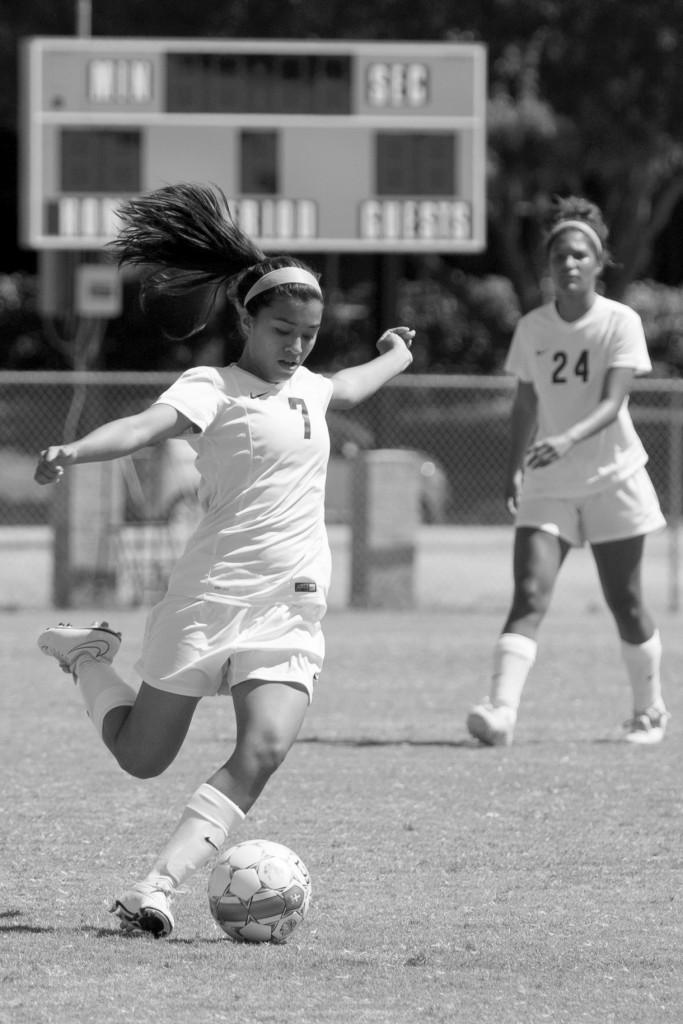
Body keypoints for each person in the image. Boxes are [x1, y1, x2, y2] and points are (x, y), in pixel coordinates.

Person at [35, 182, 415, 938]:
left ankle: (156, 887)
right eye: (282, 330)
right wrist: (75, 450)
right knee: (142, 758)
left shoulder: (310, 386)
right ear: (247, 318)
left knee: (265, 747)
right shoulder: (213, 387)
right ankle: (88, 660)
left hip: (290, 604)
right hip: (210, 597)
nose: (297, 345)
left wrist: (398, 354)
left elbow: (350, 383)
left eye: (308, 332)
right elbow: (145, 428)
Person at [466, 195, 669, 748]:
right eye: (560, 257)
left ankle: (649, 711)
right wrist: (514, 467)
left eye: (581, 256)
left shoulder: (620, 322)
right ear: (549, 266)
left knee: (625, 603)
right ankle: (501, 710)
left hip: (614, 477)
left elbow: (613, 402)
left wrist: (565, 438)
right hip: (548, 482)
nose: (570, 264)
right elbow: (525, 403)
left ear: (599, 263)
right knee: (529, 594)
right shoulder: (533, 327)